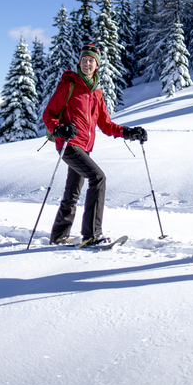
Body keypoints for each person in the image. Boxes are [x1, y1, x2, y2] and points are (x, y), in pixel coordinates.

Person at [43, 43, 147, 246]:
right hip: (68, 144)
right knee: (98, 178)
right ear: (79, 62)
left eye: (91, 60)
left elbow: (106, 125)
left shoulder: (96, 93)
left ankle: (58, 237)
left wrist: (128, 132)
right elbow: (49, 113)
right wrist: (59, 128)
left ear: (97, 65)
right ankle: (92, 235)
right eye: (84, 60)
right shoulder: (69, 85)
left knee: (72, 192)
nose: (87, 63)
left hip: (84, 148)